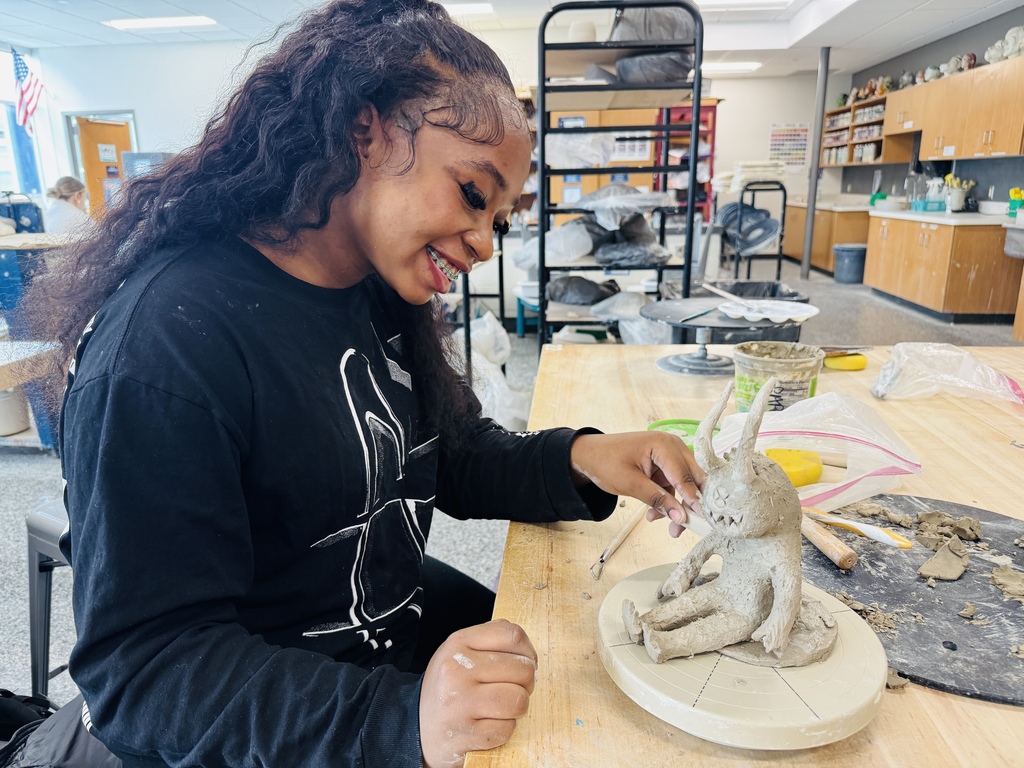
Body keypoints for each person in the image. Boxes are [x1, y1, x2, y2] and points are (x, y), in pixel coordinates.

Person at [25, 2, 706, 766]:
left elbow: (443, 454)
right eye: (474, 194)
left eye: (501, 217)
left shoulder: (373, 289)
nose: (484, 240)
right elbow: (146, 675)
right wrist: (401, 719)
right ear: (365, 131)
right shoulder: (166, 348)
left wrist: (583, 457)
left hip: (368, 667)